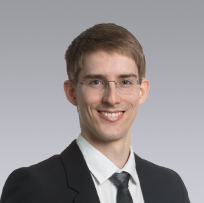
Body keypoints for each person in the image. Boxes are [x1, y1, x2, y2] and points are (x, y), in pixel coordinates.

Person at [0, 23, 190, 203]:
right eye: (96, 82)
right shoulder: (34, 186)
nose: (112, 98)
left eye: (125, 82)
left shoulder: (171, 187)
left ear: (142, 92)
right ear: (72, 92)